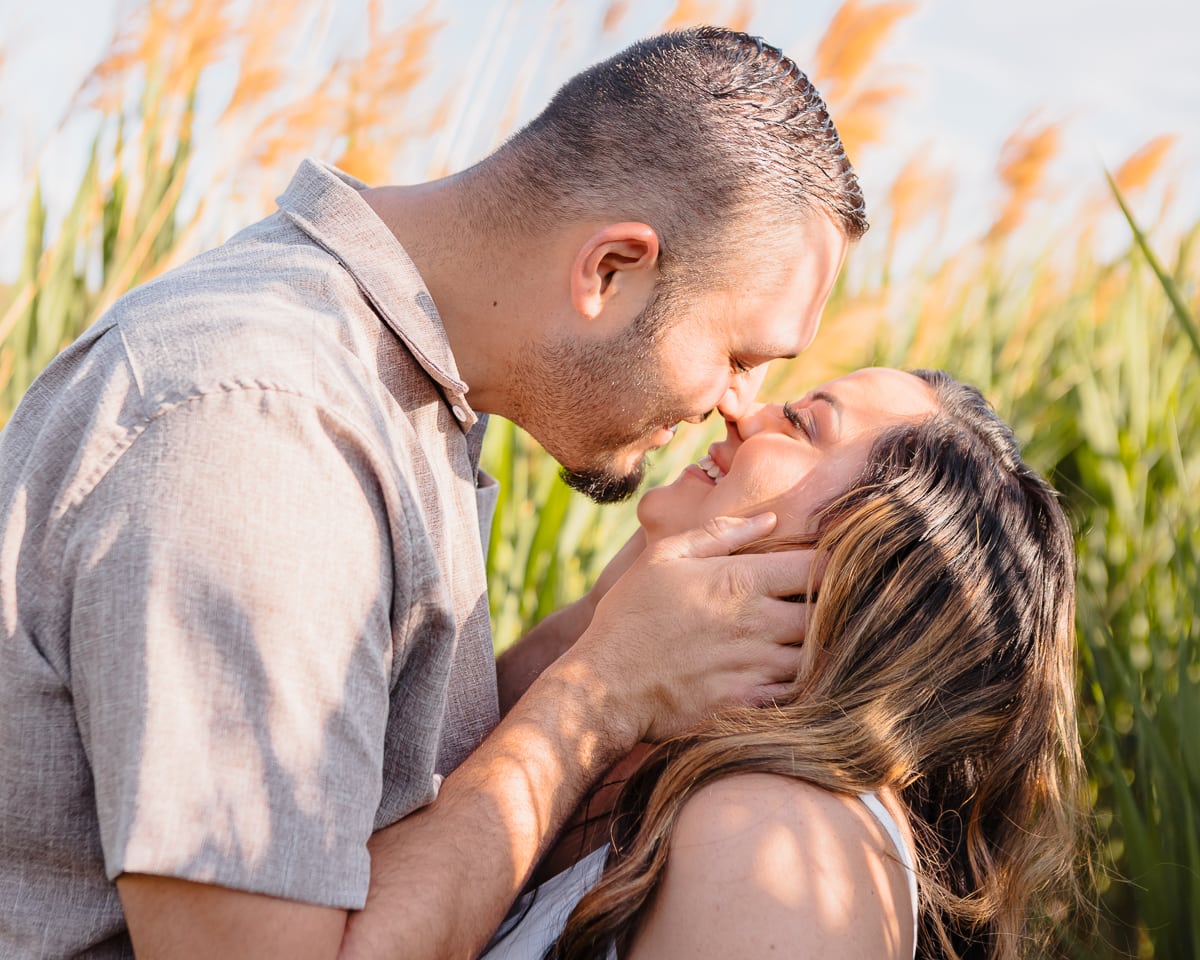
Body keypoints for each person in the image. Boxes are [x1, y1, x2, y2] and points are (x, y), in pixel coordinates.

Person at [0, 28, 867, 959]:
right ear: (610, 270)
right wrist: (600, 697)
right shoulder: (266, 430)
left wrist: (620, 623)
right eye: (737, 355)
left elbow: (372, 780)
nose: (737, 405)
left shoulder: (401, 382)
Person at [481, 368, 1087, 960]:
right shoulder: (682, 752)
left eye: (800, 422)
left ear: (859, 558)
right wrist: (609, 620)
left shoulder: (781, 844)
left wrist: (603, 684)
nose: (741, 411)